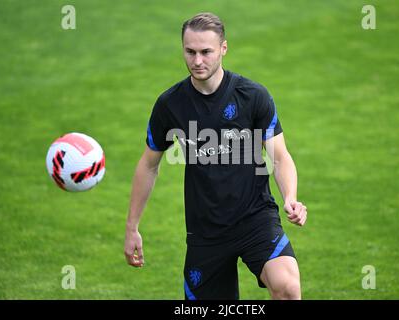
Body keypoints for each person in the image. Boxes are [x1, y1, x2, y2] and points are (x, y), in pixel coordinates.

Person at [124, 12, 308, 300]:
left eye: (206, 52)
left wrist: (290, 197)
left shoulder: (252, 96)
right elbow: (149, 166)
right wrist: (132, 227)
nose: (197, 61)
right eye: (190, 52)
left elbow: (280, 157)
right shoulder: (170, 104)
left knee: (287, 286)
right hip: (205, 233)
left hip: (255, 218)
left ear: (223, 48)